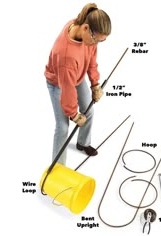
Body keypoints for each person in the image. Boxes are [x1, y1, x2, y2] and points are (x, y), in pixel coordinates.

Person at [44, 3, 111, 165]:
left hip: (76, 75)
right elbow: (67, 90)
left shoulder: (85, 31)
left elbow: (91, 60)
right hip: (58, 83)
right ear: (87, 28)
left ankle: (82, 143)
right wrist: (74, 115)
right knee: (63, 127)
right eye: (97, 40)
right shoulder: (66, 54)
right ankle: (58, 168)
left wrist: (95, 84)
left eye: (101, 41)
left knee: (89, 110)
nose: (97, 44)